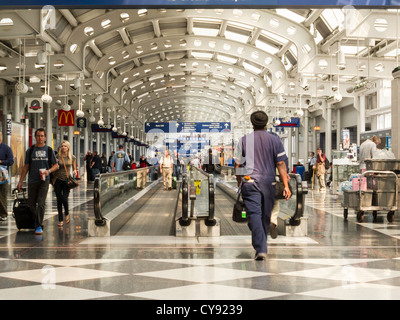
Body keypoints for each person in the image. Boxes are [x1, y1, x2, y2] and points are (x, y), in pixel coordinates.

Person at [234, 111, 291, 261]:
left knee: (256, 216)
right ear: (266, 123)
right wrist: (286, 185)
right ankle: (261, 248)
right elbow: (281, 163)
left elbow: (238, 164)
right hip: (269, 183)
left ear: (252, 123)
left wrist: (239, 180)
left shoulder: (244, 141)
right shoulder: (275, 140)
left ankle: (260, 244)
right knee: (264, 216)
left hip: (250, 183)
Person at [17, 128, 58, 235]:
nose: (40, 138)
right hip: (32, 180)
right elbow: (26, 166)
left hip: (44, 180)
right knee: (31, 204)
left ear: (45, 137)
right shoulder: (30, 151)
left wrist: (48, 171)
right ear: (35, 137)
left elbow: (56, 165)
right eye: (38, 136)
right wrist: (20, 181)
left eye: (42, 136)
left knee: (40, 203)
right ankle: (36, 220)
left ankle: (39, 225)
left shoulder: (49, 151)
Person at [53, 140, 76, 227]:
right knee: (59, 199)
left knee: (64, 198)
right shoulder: (57, 156)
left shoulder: (72, 157)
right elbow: (53, 166)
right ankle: (60, 219)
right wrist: (55, 163)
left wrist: (74, 171)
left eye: (65, 146)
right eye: (62, 146)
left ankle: (66, 213)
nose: (63, 147)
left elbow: (74, 168)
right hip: (58, 180)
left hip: (67, 180)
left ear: (68, 147)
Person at [0, 131, 14, 221]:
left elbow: (11, 161)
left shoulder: (6, 148)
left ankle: (3, 214)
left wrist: (1, 162)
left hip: (3, 176)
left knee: (2, 195)